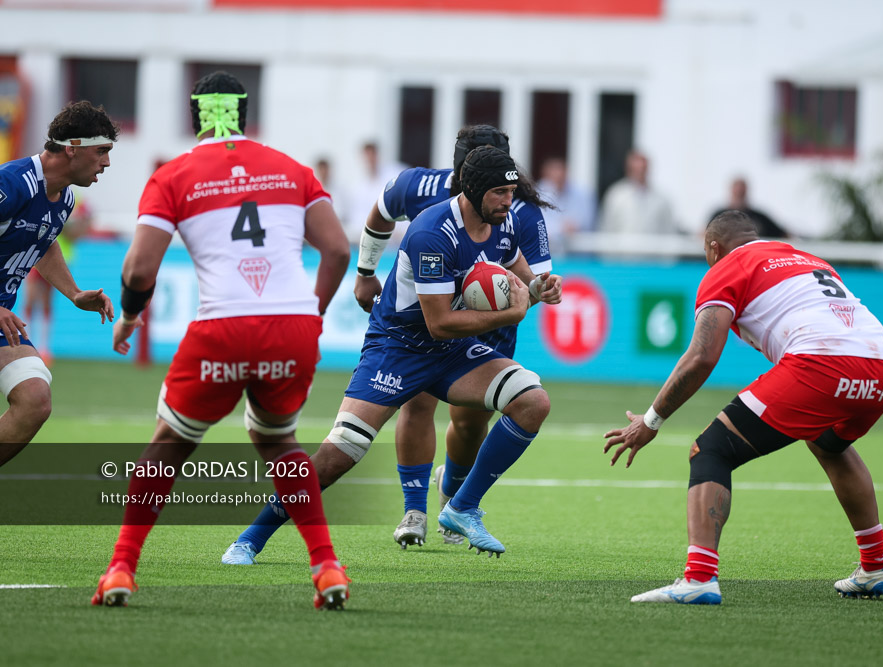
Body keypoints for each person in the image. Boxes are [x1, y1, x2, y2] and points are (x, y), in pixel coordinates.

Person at [221, 125, 555, 562]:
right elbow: (438, 324)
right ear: (473, 190)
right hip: (400, 346)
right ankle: (251, 537)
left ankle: (462, 507)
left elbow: (515, 264)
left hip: (453, 351)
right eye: (500, 193)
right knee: (340, 453)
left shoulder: (504, 218)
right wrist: (512, 311)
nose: (510, 202)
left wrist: (540, 287)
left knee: (533, 401)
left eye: (511, 192)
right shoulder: (431, 233)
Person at [91, 71, 352, 610]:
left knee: (168, 445)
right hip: (292, 328)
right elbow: (338, 251)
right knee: (280, 443)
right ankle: (326, 566)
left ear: (194, 117)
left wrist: (130, 317)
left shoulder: (173, 175)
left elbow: (140, 269)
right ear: (244, 112)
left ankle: (120, 567)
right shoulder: (292, 169)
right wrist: (313, 317)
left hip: (224, 326)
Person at [604, 210, 883, 605]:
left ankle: (698, 579)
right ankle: (877, 565)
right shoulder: (807, 259)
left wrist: (651, 420)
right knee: (828, 444)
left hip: (823, 364)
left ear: (713, 248)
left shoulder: (726, 266)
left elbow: (701, 357)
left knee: (710, 450)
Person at [0, 101, 116, 466]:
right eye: (102, 151)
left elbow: (44, 242)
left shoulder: (64, 197)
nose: (106, 163)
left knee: (35, 399)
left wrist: (74, 293)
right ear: (72, 148)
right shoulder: (11, 183)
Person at [22, 194, 95, 363]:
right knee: (30, 300)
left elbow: (84, 225)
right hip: (35, 252)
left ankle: (44, 348)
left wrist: (74, 229)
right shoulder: (42, 191)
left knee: (47, 302)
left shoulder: (76, 199)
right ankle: (26, 345)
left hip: (60, 258)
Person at [598, 149, 676, 235]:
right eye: (636, 168)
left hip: (652, 248)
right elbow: (606, 227)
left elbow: (668, 230)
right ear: (628, 169)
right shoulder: (616, 195)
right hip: (622, 248)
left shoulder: (661, 199)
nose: (640, 172)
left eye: (642, 168)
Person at [342, 141, 405, 241]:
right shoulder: (359, 186)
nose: (370, 160)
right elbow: (358, 217)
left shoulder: (395, 174)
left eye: (372, 155)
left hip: (397, 236)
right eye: (367, 156)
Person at [537, 156, 596, 256]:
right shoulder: (537, 193)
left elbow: (587, 221)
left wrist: (572, 226)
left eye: (560, 170)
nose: (558, 175)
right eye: (554, 170)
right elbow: (538, 224)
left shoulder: (582, 193)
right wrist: (561, 228)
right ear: (546, 174)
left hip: (579, 254)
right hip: (548, 253)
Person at [710, 176, 788, 239]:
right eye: (737, 192)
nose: (739, 195)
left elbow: (783, 234)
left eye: (741, 192)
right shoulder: (719, 216)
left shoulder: (760, 218)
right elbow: (705, 235)